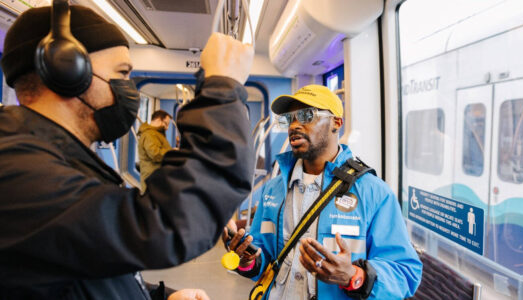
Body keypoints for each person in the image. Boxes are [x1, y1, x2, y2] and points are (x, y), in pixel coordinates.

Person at [0, 3, 254, 300]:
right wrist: (223, 88)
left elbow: (85, 272)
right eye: (121, 73)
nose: (128, 88)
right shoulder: (16, 170)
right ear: (67, 70)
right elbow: (164, 227)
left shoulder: (57, 158)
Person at [224, 85, 422, 299]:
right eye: (289, 119)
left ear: (337, 123)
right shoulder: (274, 189)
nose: (294, 126)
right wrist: (248, 260)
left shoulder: (374, 193)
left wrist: (354, 276)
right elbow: (264, 256)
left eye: (306, 115)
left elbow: (406, 273)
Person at [138, 109, 173, 192]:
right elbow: (155, 155)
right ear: (158, 120)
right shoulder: (149, 135)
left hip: (157, 178)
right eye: (166, 124)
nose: (167, 128)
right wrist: (172, 152)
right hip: (152, 180)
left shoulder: (156, 134)